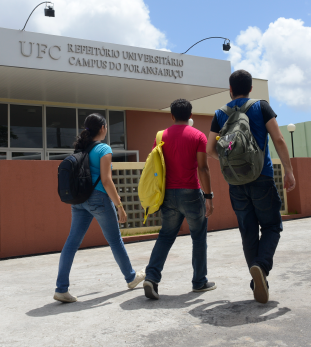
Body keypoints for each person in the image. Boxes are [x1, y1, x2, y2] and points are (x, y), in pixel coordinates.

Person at [206, 70, 296, 304]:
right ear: (250, 88)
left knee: (247, 231)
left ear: (230, 89)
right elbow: (279, 139)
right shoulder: (261, 106)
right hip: (262, 177)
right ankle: (261, 267)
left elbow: (209, 150)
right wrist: (289, 170)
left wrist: (229, 165)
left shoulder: (219, 113)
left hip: (235, 183)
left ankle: (258, 278)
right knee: (272, 226)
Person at [54, 113, 145, 303]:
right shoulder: (104, 148)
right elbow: (106, 180)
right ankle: (131, 277)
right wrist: (119, 205)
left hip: (80, 201)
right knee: (115, 240)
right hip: (98, 199)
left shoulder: (82, 149)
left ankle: (61, 288)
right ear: (102, 128)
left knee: (72, 242)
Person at [143, 99, 216, 300]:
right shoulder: (198, 136)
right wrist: (208, 197)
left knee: (166, 236)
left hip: (168, 194)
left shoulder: (161, 137)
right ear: (190, 116)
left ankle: (151, 277)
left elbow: (156, 166)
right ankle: (199, 282)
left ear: (172, 116)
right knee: (198, 237)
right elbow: (203, 168)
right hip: (192, 193)